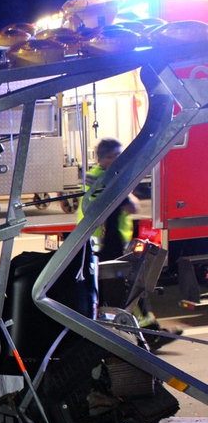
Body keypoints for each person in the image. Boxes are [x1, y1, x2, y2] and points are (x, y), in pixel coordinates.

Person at [78, 138, 180, 349]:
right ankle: (148, 335)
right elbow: (132, 206)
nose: (121, 159)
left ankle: (144, 332)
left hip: (96, 243)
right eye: (116, 155)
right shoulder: (108, 179)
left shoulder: (94, 176)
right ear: (106, 158)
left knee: (115, 290)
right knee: (130, 288)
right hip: (109, 242)